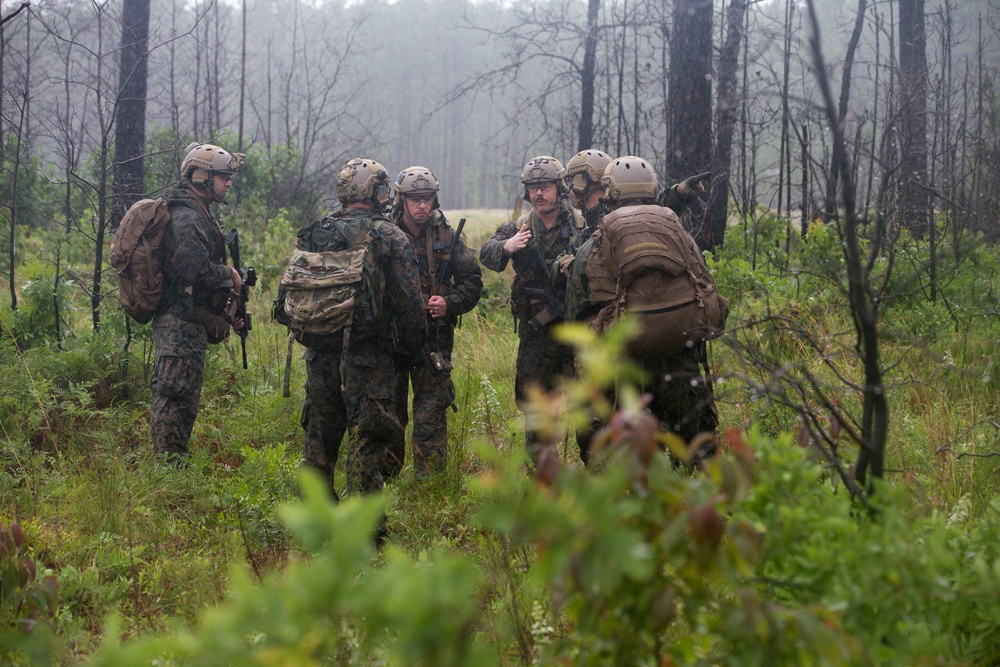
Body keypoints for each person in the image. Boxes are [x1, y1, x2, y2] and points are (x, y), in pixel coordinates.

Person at [290, 158, 426, 499]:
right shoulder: (390, 236)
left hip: (319, 351)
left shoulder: (316, 232)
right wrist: (402, 354)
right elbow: (411, 305)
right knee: (366, 439)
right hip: (368, 356)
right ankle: (365, 530)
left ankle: (315, 518)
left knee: (319, 436)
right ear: (377, 191)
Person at [586, 155, 720, 463]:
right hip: (681, 353)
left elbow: (586, 304)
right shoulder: (677, 233)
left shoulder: (599, 238)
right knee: (697, 450)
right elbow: (703, 285)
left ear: (611, 194)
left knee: (632, 455)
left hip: (627, 364)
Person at [479, 155, 583, 465]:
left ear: (559, 187)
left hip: (578, 331)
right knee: (537, 413)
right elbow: (487, 253)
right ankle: (540, 474)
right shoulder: (520, 226)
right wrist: (506, 247)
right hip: (537, 336)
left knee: (588, 408)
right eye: (533, 188)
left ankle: (596, 472)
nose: (539, 194)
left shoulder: (581, 223)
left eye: (545, 186)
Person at [151, 142, 246, 466]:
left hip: (190, 318)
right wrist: (229, 274)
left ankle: (175, 461)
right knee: (174, 392)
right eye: (223, 177)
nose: (228, 183)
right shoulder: (186, 216)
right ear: (203, 176)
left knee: (185, 393)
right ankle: (168, 466)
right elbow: (193, 269)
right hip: (178, 319)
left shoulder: (198, 211)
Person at [389, 166, 483, 477]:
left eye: (427, 199)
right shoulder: (385, 234)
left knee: (431, 411)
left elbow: (472, 281)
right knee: (389, 411)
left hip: (435, 341)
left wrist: (449, 303)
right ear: (402, 200)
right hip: (392, 340)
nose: (422, 206)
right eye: (415, 199)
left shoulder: (447, 237)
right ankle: (385, 479)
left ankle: (429, 484)